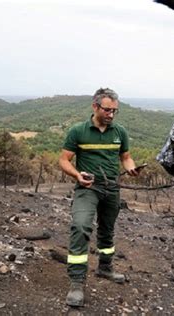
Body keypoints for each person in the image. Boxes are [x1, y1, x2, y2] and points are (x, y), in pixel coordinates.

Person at [59, 87, 139, 307]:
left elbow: (126, 157)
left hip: (112, 188)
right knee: (81, 225)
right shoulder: (78, 131)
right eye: (107, 110)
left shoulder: (119, 132)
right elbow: (64, 160)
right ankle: (76, 283)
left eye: (115, 111)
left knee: (107, 229)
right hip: (88, 187)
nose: (111, 115)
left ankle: (105, 268)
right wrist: (77, 174)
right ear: (95, 106)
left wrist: (131, 168)